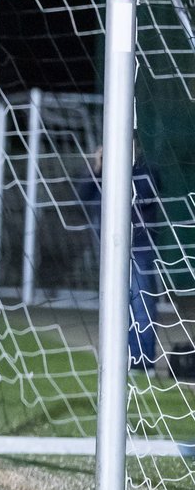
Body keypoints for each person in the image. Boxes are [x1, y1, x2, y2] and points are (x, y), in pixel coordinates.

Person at [77, 142, 162, 373]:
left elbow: (145, 195)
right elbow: (82, 195)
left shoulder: (144, 170)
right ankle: (121, 357)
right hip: (110, 249)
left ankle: (143, 361)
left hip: (138, 247)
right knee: (115, 304)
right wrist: (97, 168)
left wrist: (127, 167)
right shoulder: (104, 170)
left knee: (141, 303)